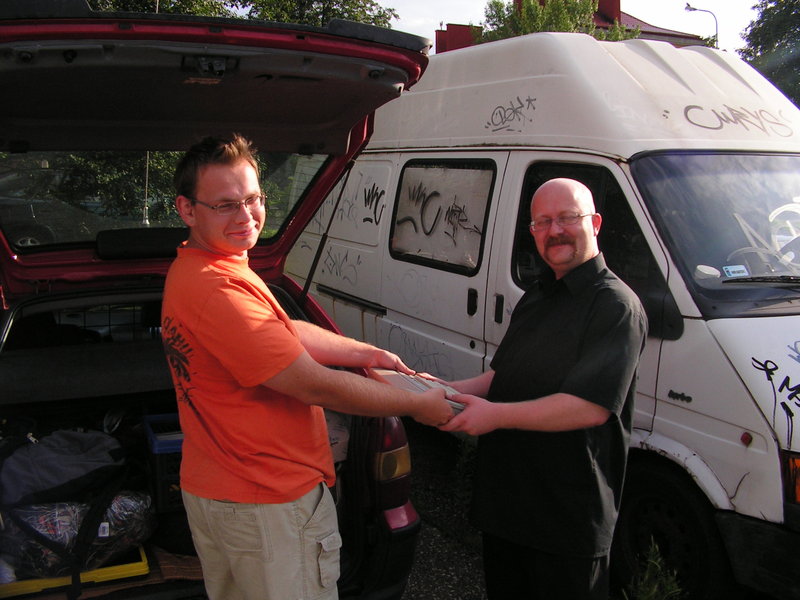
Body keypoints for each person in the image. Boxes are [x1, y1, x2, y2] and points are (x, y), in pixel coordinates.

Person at [160, 134, 453, 600]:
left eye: (253, 199)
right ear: (187, 209)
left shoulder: (205, 267)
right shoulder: (218, 288)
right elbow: (312, 384)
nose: (246, 216)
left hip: (224, 491)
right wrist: (417, 405)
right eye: (225, 205)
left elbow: (280, 331)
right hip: (266, 506)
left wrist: (365, 353)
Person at [440, 178, 648, 600]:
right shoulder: (537, 294)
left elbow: (589, 407)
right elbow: (504, 376)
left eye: (567, 218)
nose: (555, 231)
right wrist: (442, 389)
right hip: (507, 509)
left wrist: (494, 416)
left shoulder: (616, 307)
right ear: (533, 231)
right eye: (543, 221)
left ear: (595, 223)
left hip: (565, 523)